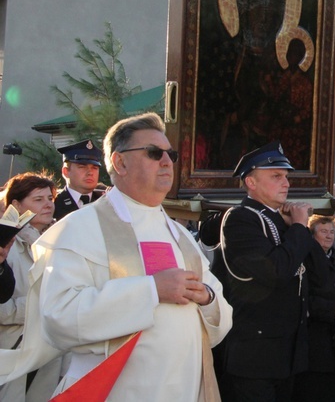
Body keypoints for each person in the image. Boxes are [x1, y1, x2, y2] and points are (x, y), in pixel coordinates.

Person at [8, 113, 232, 401]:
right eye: (154, 153)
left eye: (170, 154)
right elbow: (58, 317)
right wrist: (152, 290)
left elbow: (222, 315)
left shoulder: (180, 235)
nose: (167, 162)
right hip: (115, 389)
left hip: (185, 387)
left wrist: (207, 299)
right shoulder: (79, 228)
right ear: (119, 162)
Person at [219, 140, 315, 401]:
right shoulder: (241, 218)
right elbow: (275, 270)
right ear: (251, 182)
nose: (286, 183)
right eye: (276, 176)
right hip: (256, 356)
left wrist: (294, 225)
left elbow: (309, 270)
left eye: (286, 176)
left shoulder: (277, 219)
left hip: (285, 352)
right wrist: (297, 227)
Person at [0, 172, 60, 401]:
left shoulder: (57, 242)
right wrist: (44, 305)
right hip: (14, 349)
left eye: (50, 198)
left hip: (50, 347)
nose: (48, 205)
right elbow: (2, 308)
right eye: (38, 199)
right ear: (16, 204)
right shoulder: (7, 247)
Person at [293, 215, 335, 402]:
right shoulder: (305, 260)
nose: (329, 236)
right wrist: (331, 308)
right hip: (316, 341)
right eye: (323, 231)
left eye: (332, 232)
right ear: (313, 235)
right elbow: (302, 296)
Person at [53, 139, 104, 220]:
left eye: (94, 168)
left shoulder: (106, 201)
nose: (90, 173)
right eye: (82, 167)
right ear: (65, 171)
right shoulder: (53, 204)